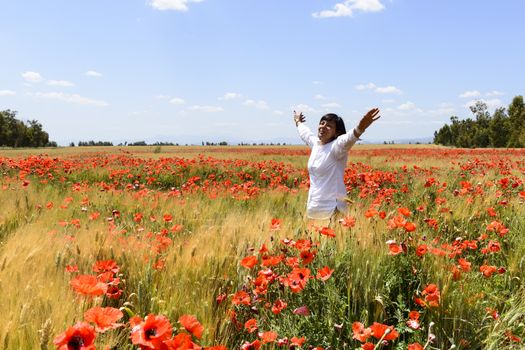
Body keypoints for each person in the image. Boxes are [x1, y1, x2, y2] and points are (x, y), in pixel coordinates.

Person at [294, 108, 380, 220]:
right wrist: (298, 121)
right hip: (314, 206)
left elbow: (349, 138)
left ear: (337, 132)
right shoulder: (316, 144)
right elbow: (305, 133)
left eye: (329, 125)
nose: (323, 126)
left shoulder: (337, 147)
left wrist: (361, 127)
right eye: (322, 123)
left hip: (333, 209)